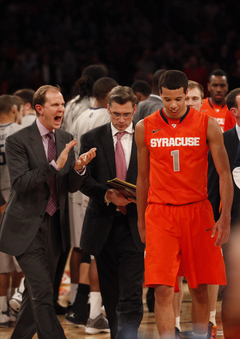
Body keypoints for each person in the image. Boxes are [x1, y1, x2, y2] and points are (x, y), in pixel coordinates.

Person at [135, 70, 233, 339]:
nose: (174, 105)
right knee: (162, 288)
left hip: (198, 211)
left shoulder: (207, 124)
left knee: (201, 288)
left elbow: (225, 174)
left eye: (179, 99)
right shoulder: (144, 126)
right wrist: (140, 220)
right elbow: (142, 178)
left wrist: (224, 217)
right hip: (160, 213)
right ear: (160, 96)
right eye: (167, 100)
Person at [0, 85, 96, 339]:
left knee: (37, 294)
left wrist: (77, 168)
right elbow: (20, 184)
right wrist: (54, 165)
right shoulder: (17, 141)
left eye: (62, 104)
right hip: (26, 228)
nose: (61, 109)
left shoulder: (65, 138)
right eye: (55, 104)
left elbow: (71, 188)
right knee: (43, 292)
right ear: (40, 109)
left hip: (55, 228)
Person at [80, 86, 145, 339]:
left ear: (134, 110)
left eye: (126, 115)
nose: (121, 120)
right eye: (116, 114)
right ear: (108, 109)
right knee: (110, 292)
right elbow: (83, 180)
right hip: (103, 223)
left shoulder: (146, 136)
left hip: (134, 223)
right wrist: (107, 194)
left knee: (131, 291)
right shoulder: (91, 138)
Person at [65, 76, 118, 331]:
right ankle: (94, 313)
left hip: (78, 187)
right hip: (98, 192)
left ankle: (79, 304)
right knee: (98, 253)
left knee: (81, 248)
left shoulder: (80, 115)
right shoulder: (105, 119)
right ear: (110, 97)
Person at [209, 88, 240, 339]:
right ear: (234, 112)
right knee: (233, 288)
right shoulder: (222, 140)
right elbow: (213, 185)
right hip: (234, 225)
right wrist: (214, 222)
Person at [0, 95, 24, 327]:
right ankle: (18, 305)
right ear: (15, 109)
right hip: (16, 198)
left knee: (1, 261)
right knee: (21, 257)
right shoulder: (19, 132)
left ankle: (1, 311)